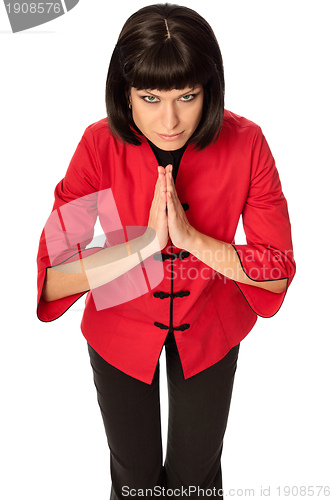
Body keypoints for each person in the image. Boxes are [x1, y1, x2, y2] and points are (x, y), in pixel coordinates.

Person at [36, 3, 296, 499]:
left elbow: (277, 270)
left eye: (188, 96)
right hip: (119, 321)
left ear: (209, 90)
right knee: (134, 481)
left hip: (211, 319)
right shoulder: (98, 145)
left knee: (194, 481)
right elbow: (52, 277)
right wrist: (145, 245)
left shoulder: (247, 143)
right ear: (125, 92)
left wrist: (194, 240)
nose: (170, 119)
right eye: (149, 97)